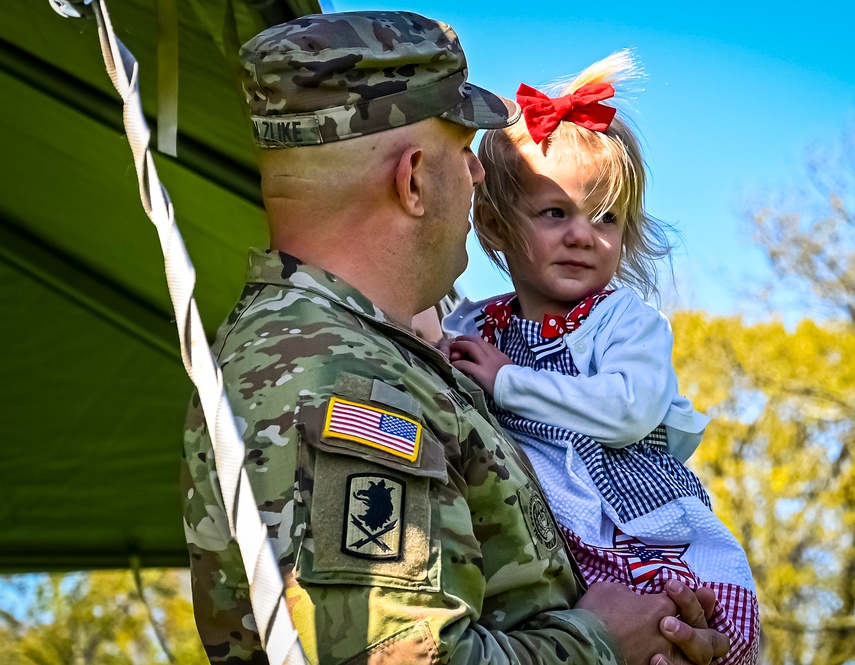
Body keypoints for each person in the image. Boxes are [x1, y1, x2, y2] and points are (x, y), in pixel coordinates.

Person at [181, 11, 730, 665]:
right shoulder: (336, 378)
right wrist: (601, 642)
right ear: (412, 178)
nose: (475, 175)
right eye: (462, 150)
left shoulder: (378, 354)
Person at [440, 53, 760, 664]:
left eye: (605, 217)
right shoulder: (477, 323)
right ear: (497, 225)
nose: (583, 234)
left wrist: (509, 381)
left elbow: (630, 410)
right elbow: (435, 357)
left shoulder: (625, 321)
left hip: (642, 525)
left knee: (698, 624)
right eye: (555, 213)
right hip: (555, 536)